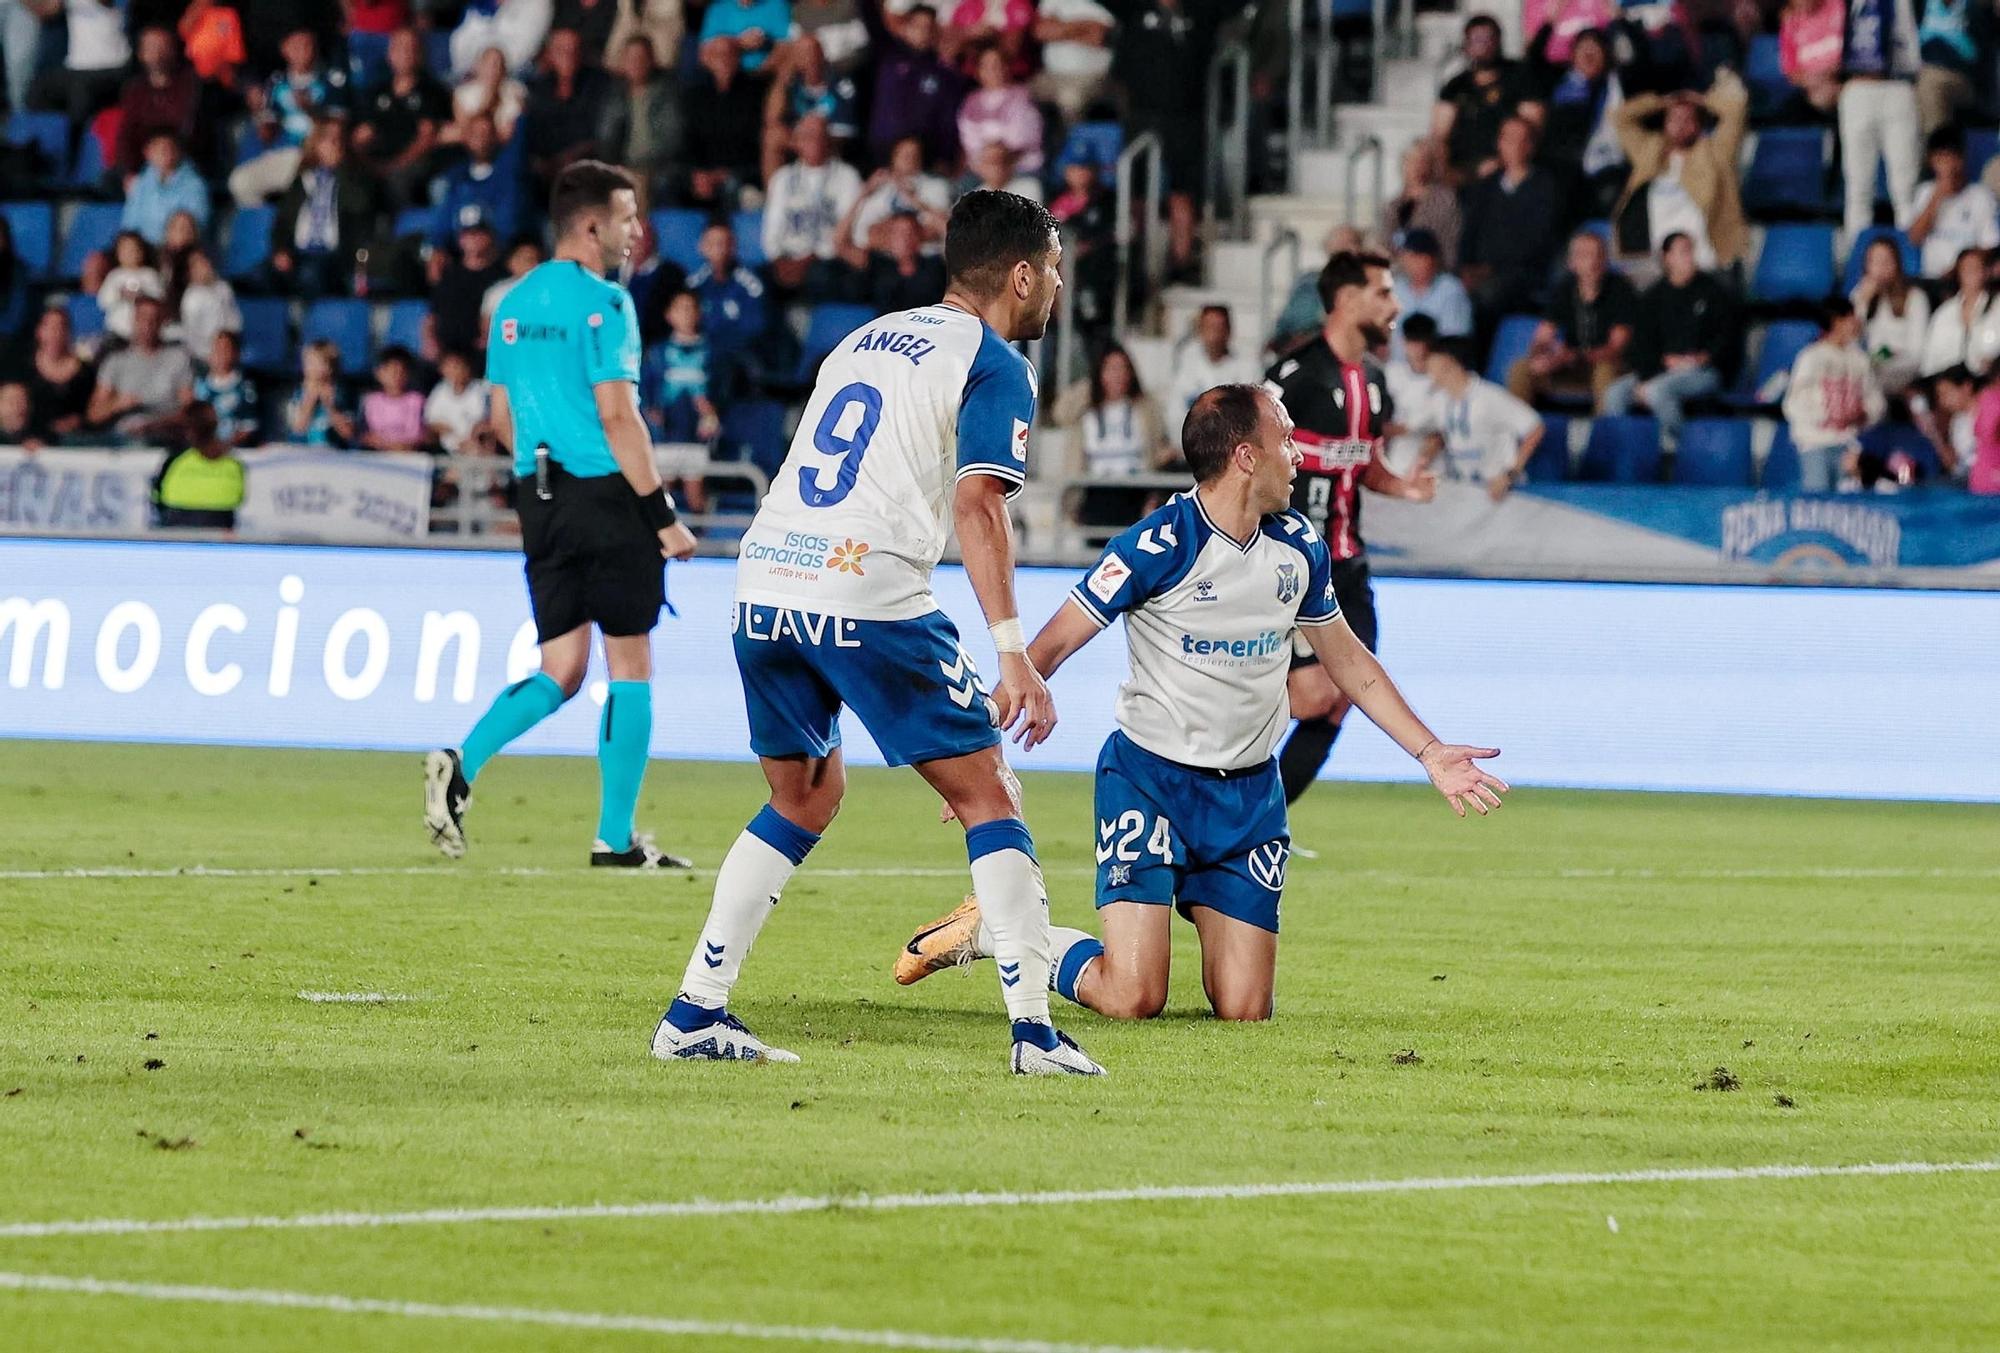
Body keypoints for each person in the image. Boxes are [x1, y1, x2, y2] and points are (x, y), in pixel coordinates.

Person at [651, 189, 1101, 1075]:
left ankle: (695, 1012)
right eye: (1051, 268)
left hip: (767, 578)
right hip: (868, 588)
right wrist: (1012, 652)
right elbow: (979, 502)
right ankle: (1034, 1034)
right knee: (989, 794)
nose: (1055, 284)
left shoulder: (866, 336)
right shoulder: (996, 361)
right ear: (1019, 273)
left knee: (803, 796)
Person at [893, 384, 1508, 1023]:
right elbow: (1046, 649)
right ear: (1246, 457)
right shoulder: (1156, 546)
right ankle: (998, 931)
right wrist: (979, 753)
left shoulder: (1298, 546)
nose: (1299, 456)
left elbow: (1348, 660)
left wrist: (1431, 753)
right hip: (1150, 783)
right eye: (1287, 440)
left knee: (1244, 1009)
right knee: (1134, 997)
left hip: (1248, 797)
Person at [424, 161, 699, 871]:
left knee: (562, 665)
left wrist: (548, 481)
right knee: (629, 662)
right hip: (607, 494)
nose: (637, 232)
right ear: (591, 225)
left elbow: (500, 418)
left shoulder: (511, 305)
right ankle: (614, 837)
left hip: (538, 498)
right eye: (628, 217)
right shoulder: (605, 305)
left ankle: (462, 760)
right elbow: (618, 414)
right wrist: (662, 513)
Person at [1264, 251, 1437, 805]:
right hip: (1292, 567)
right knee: (1314, 694)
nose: (1396, 304)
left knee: (1344, 699)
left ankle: (1261, 820)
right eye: (1384, 292)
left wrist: (1402, 486)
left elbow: (1365, 465)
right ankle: (1215, 742)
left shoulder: (1376, 382)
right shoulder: (1292, 379)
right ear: (1346, 300)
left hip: (1349, 564)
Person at [1602, 232, 1739, 449]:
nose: (1690, 257)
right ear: (1667, 257)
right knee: (1615, 393)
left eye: (1692, 250)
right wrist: (1657, 368)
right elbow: (1641, 346)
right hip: (1661, 369)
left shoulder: (1714, 293)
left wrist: (1704, 358)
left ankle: (1676, 448)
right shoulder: (1653, 298)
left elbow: (1728, 339)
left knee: (1657, 391)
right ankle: (1620, 451)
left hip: (1703, 371)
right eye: (1684, 251)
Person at [1611, 68, 1748, 271]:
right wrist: (1662, 102)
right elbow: (1620, 118)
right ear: (1665, 123)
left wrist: (1700, 99)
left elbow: (1736, 110)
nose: (1681, 124)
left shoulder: (1716, 151)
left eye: (1688, 119)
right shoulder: (1650, 150)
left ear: (1699, 126)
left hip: (1706, 260)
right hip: (1655, 261)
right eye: (1674, 118)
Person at [1509, 227, 1634, 410]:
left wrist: (1574, 356)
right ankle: (1519, 433)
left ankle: (1605, 434)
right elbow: (1543, 336)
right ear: (1571, 262)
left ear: (1606, 260)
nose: (1592, 262)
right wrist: (1543, 356)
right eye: (1584, 256)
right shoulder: (1564, 289)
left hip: (1607, 365)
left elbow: (1616, 348)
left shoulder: (1620, 289)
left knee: (1605, 370)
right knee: (1521, 368)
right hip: (1571, 365)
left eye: (1598, 255)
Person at [227, 27, 352, 207]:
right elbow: (266, 133)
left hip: (314, 156)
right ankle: (267, 224)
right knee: (240, 182)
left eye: (306, 44)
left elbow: (337, 128)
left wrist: (310, 109)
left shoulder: (331, 80)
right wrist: (259, 113)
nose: (301, 50)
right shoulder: (276, 83)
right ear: (284, 49)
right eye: (295, 45)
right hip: (284, 154)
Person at [1052, 342, 1175, 526]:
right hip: (1097, 491)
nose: (1118, 376)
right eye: (1111, 369)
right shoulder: (1086, 409)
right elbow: (1060, 413)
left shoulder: (1145, 407)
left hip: (1136, 490)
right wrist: (1091, 386)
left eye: (1122, 368)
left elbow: (1159, 448)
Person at [1458, 116, 1563, 322]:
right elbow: (1469, 231)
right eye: (1508, 139)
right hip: (1479, 272)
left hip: (1522, 275)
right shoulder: (1486, 186)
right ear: (1499, 143)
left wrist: (1490, 268)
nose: (1514, 146)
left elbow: (1537, 241)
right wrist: (1466, 267)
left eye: (1521, 139)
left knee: (1486, 296)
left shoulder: (1545, 188)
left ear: (1531, 146)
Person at [1837, 0, 1922, 239]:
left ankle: (1909, 261)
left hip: (1898, 86)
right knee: (1858, 188)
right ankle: (1857, 261)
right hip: (1857, 89)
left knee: (1905, 188)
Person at [1422, 337, 1546, 500]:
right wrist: (1422, 463)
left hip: (1500, 493)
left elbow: (1535, 428)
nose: (1427, 369)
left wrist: (1510, 473)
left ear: (1448, 363)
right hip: (1463, 490)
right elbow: (1440, 434)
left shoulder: (1489, 397)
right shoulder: (1439, 400)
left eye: (1431, 362)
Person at [1784, 297, 1888, 492]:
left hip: (1848, 443)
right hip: (1815, 442)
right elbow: (1794, 403)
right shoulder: (1811, 357)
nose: (1855, 323)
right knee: (1818, 498)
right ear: (1836, 321)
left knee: (1848, 499)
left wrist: (1864, 414)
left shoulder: (1859, 359)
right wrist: (1829, 414)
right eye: (1850, 318)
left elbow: (1875, 400)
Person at [272, 121, 382, 300]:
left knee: (311, 275)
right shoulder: (302, 180)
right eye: (327, 139)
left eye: (337, 139)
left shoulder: (357, 177)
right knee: (259, 276)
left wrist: (341, 169)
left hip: (334, 256)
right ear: (316, 145)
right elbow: (282, 221)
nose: (334, 144)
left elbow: (359, 206)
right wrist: (280, 250)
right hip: (298, 253)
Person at [762, 114, 863, 299]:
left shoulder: (848, 176)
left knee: (821, 276)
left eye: (820, 135)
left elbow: (846, 231)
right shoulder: (782, 178)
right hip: (787, 258)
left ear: (829, 140)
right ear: (796, 142)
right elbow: (772, 229)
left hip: (827, 259)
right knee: (759, 282)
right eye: (808, 136)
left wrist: (808, 260)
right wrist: (778, 259)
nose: (814, 141)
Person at [1431, 13, 1541, 180]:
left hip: (1508, 170)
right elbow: (1439, 136)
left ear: (1498, 41)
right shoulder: (1455, 86)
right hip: (1462, 172)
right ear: (1466, 45)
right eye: (1476, 39)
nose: (1483, 45)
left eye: (1488, 38)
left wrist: (1502, 161)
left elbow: (1533, 126)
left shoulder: (1520, 76)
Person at [354, 27, 452, 210]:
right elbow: (364, 134)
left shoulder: (432, 92)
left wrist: (394, 165)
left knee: (399, 179)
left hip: (413, 162)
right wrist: (363, 161)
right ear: (390, 54)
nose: (404, 54)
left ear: (420, 54)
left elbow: (427, 138)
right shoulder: (377, 92)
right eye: (399, 48)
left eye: (410, 48)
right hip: (379, 159)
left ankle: (398, 232)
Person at [867, 5, 964, 169]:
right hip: (882, 155)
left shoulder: (945, 74)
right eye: (917, 26)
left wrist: (945, 157)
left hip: (924, 160)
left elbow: (948, 120)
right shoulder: (887, 55)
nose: (923, 32)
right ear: (905, 29)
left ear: (936, 33)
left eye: (929, 27)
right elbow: (869, 16)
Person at [88, 296, 195, 444]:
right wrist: (117, 404)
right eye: (143, 318)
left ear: (162, 322)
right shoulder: (115, 361)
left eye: (154, 319)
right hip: (123, 441)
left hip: (166, 438)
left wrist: (157, 424)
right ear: (134, 321)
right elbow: (94, 414)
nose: (148, 324)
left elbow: (191, 411)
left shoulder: (179, 358)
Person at [598, 35, 685, 203]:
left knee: (638, 184)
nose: (636, 63)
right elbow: (605, 136)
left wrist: (644, 168)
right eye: (631, 58)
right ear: (623, 63)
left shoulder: (667, 94)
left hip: (658, 167)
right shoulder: (613, 97)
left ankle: (638, 228)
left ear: (652, 60)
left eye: (641, 58)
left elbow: (673, 138)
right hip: (622, 165)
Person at [1906, 128, 2000, 280]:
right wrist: (1937, 196)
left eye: (1951, 157)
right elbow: (1915, 238)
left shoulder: (1981, 196)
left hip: (1966, 279)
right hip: (1931, 279)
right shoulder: (1925, 192)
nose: (1947, 165)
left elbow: (1988, 245)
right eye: (1941, 158)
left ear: (1962, 159)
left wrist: (1959, 268)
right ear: (1931, 161)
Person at [523, 27, 610, 189]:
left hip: (588, 165)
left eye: (574, 50)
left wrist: (570, 157)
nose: (568, 56)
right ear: (550, 55)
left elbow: (603, 133)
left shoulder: (600, 84)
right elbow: (534, 132)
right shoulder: (539, 89)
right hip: (545, 170)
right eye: (562, 51)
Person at [684, 37, 766, 205]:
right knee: (668, 183)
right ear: (708, 60)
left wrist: (721, 174)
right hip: (704, 174)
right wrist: (698, 174)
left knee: (732, 186)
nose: (724, 61)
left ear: (738, 58)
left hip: (740, 172)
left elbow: (753, 144)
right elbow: (689, 141)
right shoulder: (696, 96)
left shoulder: (755, 92)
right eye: (718, 55)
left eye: (729, 54)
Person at [430, 113, 526, 251]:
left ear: (496, 136)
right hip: (465, 255)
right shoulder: (457, 177)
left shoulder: (508, 170)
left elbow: (509, 221)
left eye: (486, 133)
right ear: (466, 138)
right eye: (475, 134)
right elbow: (444, 219)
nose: (481, 139)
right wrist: (438, 247)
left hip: (504, 250)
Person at [1167, 305, 1264, 439]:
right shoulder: (1186, 367)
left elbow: (1251, 416)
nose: (1214, 334)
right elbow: (1175, 414)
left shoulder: (1248, 369)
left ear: (1229, 331)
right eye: (1209, 327)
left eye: (1219, 328)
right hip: (1191, 447)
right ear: (1200, 330)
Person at [114, 27, 199, 180]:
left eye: (163, 47)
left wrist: (163, 152)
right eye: (151, 47)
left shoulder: (189, 85)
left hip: (178, 160)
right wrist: (129, 173)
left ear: (173, 50)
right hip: (143, 163)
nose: (157, 54)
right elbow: (127, 134)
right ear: (141, 53)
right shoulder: (134, 90)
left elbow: (186, 128)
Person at [1852, 235, 1931, 394]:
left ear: (1896, 264)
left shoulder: (1915, 298)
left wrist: (1885, 354)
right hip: (1868, 366)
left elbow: (1917, 352)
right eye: (1875, 261)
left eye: (1886, 261)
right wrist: (1862, 304)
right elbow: (1850, 341)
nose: (1880, 267)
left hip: (1901, 368)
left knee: (1867, 377)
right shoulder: (1860, 295)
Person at [151, 402, 244, 529]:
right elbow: (239, 497)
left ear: (188, 427)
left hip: (178, 526)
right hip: (219, 529)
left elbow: (157, 495)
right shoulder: (232, 462)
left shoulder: (177, 458)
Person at [839, 209, 948, 313]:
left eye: (910, 232)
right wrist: (862, 197)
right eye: (898, 233)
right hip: (888, 329)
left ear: (919, 237)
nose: (905, 239)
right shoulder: (879, 264)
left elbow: (951, 235)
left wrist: (916, 201)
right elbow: (840, 243)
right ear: (889, 238)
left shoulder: (934, 265)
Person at [957, 43, 1041, 175]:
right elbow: (969, 138)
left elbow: (1021, 137)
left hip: (1019, 168)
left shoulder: (1021, 97)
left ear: (1007, 67)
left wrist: (997, 156)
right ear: (979, 71)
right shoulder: (971, 102)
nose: (993, 71)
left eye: (997, 65)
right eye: (987, 67)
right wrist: (987, 161)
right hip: (982, 169)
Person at [1918, 246, 2000, 376]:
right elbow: (1930, 357)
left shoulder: (1997, 306)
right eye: (1965, 268)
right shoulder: (1944, 312)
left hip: (1984, 380)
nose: (1970, 273)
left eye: (1975, 268)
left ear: (1986, 272)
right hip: (1945, 381)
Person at [1390, 229, 1474, 352]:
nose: (1412, 263)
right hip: (1396, 366)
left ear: (1432, 258)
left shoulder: (1451, 289)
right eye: (1407, 256)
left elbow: (1454, 344)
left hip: (1437, 367)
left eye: (1418, 257)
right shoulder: (1396, 289)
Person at [122, 133, 211, 248]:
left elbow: (192, 228)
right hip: (142, 252)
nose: (164, 153)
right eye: (158, 148)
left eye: (169, 148)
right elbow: (129, 223)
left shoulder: (195, 185)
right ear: (148, 153)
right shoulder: (140, 184)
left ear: (179, 152)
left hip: (177, 251)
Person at [1030, 0, 1113, 121]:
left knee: (1068, 99)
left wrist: (1059, 28)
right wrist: (1085, 27)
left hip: (1089, 77)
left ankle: (1072, 139)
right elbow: (1041, 31)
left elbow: (1100, 37)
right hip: (1050, 75)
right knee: (1022, 98)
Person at [25, 307, 95, 444]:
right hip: (27, 440)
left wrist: (78, 420)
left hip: (72, 442)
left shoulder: (85, 372)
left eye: (61, 327)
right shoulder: (23, 366)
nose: (55, 333)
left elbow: (92, 412)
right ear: (39, 331)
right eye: (50, 327)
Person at [191, 328, 260, 448]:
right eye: (217, 349)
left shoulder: (244, 388)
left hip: (235, 449)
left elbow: (249, 426)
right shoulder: (199, 386)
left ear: (236, 353)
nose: (221, 354)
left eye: (226, 349)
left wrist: (226, 445)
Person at [285, 339, 358, 446]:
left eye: (316, 363)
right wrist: (310, 399)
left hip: (335, 452)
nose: (310, 368)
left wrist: (329, 405)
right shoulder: (298, 394)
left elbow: (348, 433)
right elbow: (298, 429)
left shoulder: (343, 394)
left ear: (331, 367)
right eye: (308, 363)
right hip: (303, 452)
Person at [449, 46, 527, 143]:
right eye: (490, 64)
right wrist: (488, 102)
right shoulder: (462, 93)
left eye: (499, 64)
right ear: (479, 66)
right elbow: (463, 127)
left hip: (506, 143)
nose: (494, 69)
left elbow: (512, 128)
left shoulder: (516, 91)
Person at [98, 233, 167, 343]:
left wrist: (142, 295)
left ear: (142, 252)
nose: (130, 254)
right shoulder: (114, 276)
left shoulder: (149, 275)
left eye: (134, 249)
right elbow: (103, 301)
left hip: (144, 331)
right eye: (125, 250)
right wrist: (119, 294)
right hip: (117, 330)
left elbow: (160, 298)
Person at [425, 348, 495, 455]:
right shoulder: (439, 391)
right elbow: (431, 422)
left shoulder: (481, 389)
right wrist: (449, 432)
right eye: (450, 366)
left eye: (458, 366)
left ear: (468, 368)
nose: (454, 371)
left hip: (478, 448)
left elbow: (486, 422)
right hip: (448, 451)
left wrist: (473, 439)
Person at [1779, 0, 1843, 114]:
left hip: (1842, 80)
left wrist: (1829, 74)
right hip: (1812, 89)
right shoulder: (1790, 21)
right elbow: (1791, 71)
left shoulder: (1839, 6)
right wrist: (1812, 81)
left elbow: (1856, 55)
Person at [361, 347, 429, 451]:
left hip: (408, 453)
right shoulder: (372, 401)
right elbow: (372, 433)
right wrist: (384, 444)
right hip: (378, 453)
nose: (396, 376)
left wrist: (398, 446)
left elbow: (414, 433)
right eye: (391, 371)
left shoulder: (416, 400)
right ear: (379, 373)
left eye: (401, 371)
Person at [698, 0, 790, 74]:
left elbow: (785, 46)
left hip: (766, 75)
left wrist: (761, 72)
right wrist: (738, 43)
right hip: (729, 76)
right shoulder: (718, 7)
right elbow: (705, 52)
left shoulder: (777, 5)